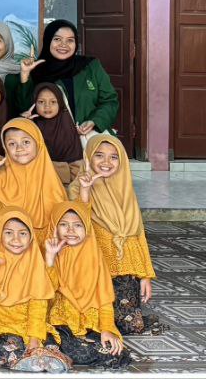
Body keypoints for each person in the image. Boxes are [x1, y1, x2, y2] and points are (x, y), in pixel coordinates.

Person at [72, 134, 157, 335]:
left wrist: (145, 276)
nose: (106, 162)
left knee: (131, 326)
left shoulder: (126, 192)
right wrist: (85, 191)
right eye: (99, 155)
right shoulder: (77, 187)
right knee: (90, 325)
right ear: (88, 157)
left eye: (114, 157)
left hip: (122, 274)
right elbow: (76, 225)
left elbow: (138, 236)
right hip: (92, 274)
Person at [0, 209, 70, 371]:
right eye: (9, 233)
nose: (16, 239)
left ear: (31, 237)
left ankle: (40, 360)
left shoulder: (34, 262)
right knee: (10, 350)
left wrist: (34, 338)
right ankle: (35, 362)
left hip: (32, 326)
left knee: (50, 346)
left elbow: (39, 304)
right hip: (2, 327)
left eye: (22, 233)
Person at [44, 202, 131, 368]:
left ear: (87, 228)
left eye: (78, 225)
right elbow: (45, 292)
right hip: (59, 322)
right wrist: (50, 259)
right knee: (59, 342)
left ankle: (59, 354)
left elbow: (105, 299)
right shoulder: (49, 252)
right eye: (63, 225)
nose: (70, 230)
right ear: (54, 227)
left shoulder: (95, 257)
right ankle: (54, 351)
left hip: (89, 322)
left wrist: (106, 329)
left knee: (116, 352)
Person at [0, 118, 68, 242]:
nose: (19, 148)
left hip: (45, 253)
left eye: (26, 142)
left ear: (38, 143)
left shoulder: (54, 186)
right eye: (12, 144)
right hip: (3, 252)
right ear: (5, 148)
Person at [7, 19, 118, 135]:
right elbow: (25, 110)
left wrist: (94, 121)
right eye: (57, 39)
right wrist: (25, 74)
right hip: (51, 139)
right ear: (48, 40)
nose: (63, 45)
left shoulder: (90, 66)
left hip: (89, 137)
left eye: (70, 40)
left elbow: (110, 101)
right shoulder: (36, 71)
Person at [31, 83, 86, 187]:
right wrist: (25, 123)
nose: (47, 106)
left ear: (60, 103)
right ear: (34, 103)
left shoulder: (67, 126)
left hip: (68, 184)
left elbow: (76, 169)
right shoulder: (31, 125)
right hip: (37, 182)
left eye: (53, 102)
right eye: (41, 102)